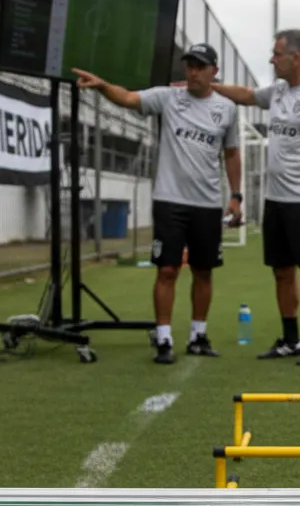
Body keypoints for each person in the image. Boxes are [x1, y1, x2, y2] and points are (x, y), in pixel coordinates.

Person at [73, 43, 240, 364]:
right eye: (189, 65)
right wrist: (103, 86)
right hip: (169, 201)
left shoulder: (227, 109)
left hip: (207, 203)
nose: (193, 72)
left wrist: (236, 196)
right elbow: (128, 98)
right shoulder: (168, 97)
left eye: (200, 66)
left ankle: (198, 336)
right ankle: (163, 339)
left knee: (204, 271)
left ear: (214, 71)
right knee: (167, 270)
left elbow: (232, 154)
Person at [210, 28, 300, 365]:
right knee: (282, 271)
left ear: (295, 58)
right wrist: (210, 86)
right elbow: (246, 95)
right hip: (275, 200)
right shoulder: (279, 91)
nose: (271, 60)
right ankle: (290, 340)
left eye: (276, 54)